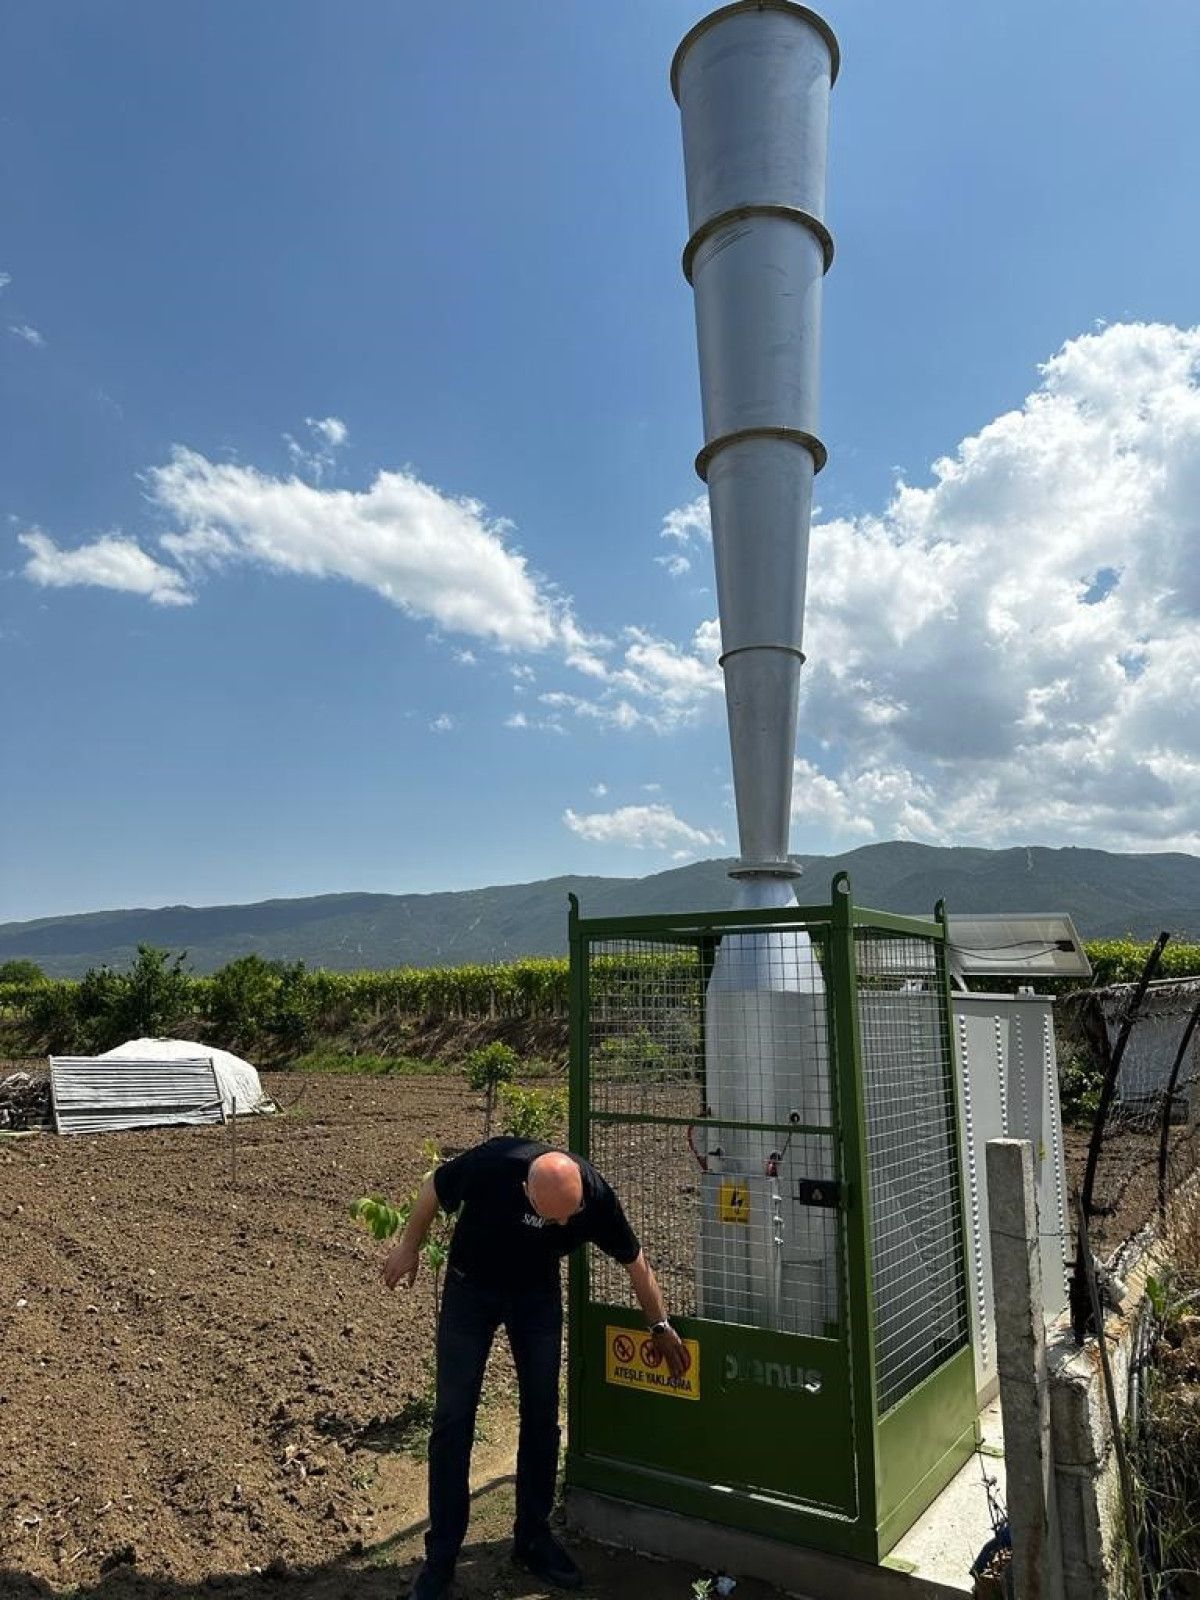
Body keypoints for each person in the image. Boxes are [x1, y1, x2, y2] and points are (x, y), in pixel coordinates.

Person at [382, 1136, 687, 1599]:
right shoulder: (494, 1164)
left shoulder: (593, 1196)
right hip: (471, 1289)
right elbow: (433, 1187)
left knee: (542, 1416)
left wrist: (659, 1325)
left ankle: (532, 1538)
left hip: (535, 1297)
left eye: (569, 1215)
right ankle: (441, 1558)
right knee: (452, 1420)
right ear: (526, 1190)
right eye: (551, 1216)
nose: (563, 1224)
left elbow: (635, 1262)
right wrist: (410, 1245)